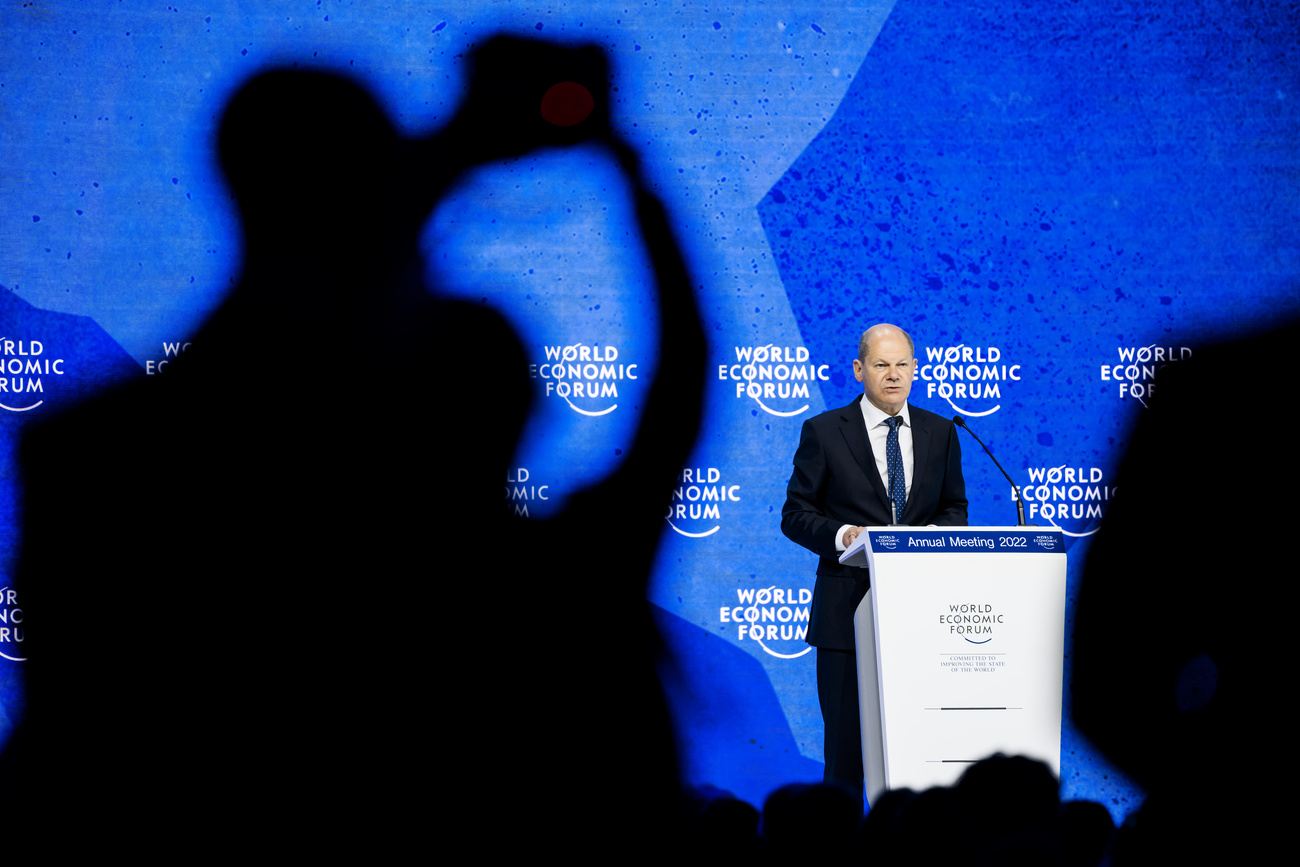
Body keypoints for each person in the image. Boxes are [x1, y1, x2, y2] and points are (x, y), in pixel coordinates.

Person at [781, 323, 967, 806]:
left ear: (915, 370)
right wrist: (846, 536)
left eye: (903, 364)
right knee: (846, 756)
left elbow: (954, 508)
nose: (893, 375)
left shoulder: (942, 432)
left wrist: (928, 539)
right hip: (847, 615)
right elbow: (795, 516)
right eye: (882, 365)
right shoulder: (823, 431)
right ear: (860, 369)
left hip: (923, 617)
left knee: (919, 751)